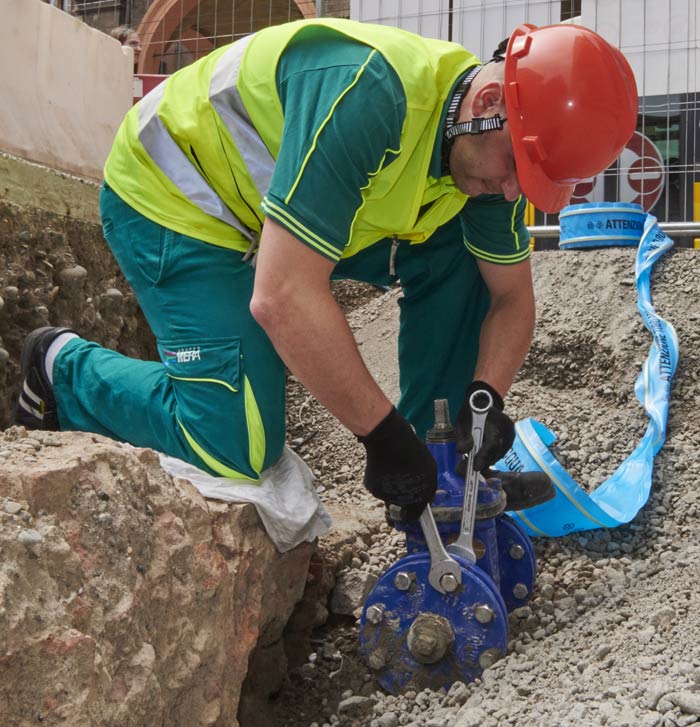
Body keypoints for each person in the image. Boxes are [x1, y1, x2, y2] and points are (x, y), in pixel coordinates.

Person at [16, 19, 637, 522]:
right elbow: (283, 297)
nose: (509, 191)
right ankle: (60, 369)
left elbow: (510, 300)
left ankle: (444, 465)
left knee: (465, 259)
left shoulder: (487, 151)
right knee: (236, 447)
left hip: (279, 214)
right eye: (514, 168)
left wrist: (486, 404)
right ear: (490, 103)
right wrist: (383, 437)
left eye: (527, 183)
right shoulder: (371, 95)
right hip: (179, 202)